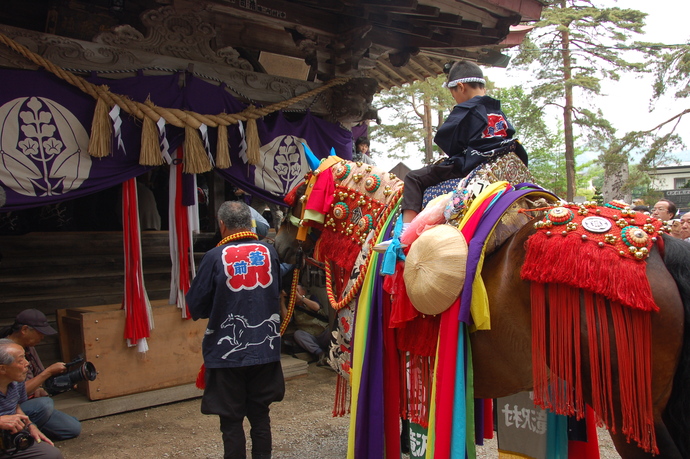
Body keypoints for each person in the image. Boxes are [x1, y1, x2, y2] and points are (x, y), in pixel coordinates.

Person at [376, 60, 526, 250]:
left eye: (453, 92)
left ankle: (404, 235)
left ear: (460, 87)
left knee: (414, 177)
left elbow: (449, 143)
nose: (454, 98)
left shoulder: (466, 109)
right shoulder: (497, 110)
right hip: (499, 164)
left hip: (473, 165)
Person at [186, 201, 284, 459]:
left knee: (231, 421)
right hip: (265, 349)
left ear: (222, 225)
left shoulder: (212, 257)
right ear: (249, 223)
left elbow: (195, 306)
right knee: (260, 416)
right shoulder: (268, 252)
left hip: (227, 352)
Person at [0, 310, 81, 441]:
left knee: (72, 428)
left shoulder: (29, 347)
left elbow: (38, 377)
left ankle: (32, 431)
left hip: (30, 404)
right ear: (25, 329)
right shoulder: (4, 352)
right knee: (45, 404)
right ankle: (20, 437)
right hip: (11, 408)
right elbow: (17, 393)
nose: (42, 337)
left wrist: (42, 387)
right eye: (39, 333)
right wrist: (48, 372)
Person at [0, 339, 62, 459]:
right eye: (20, 360)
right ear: (2, 369)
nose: (27, 363)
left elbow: (15, 405)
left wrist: (30, 425)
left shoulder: (16, 382)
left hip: (8, 439)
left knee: (52, 455)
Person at [281, 285, 330, 366]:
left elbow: (316, 307)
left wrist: (300, 297)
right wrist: (282, 300)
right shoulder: (291, 306)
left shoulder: (311, 297)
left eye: (297, 290)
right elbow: (287, 319)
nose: (294, 293)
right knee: (298, 334)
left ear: (303, 291)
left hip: (322, 331)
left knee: (332, 330)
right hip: (310, 335)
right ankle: (320, 353)